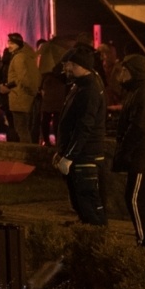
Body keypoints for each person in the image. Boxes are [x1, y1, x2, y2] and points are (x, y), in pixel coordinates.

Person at [113, 54, 145, 251]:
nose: (121, 74)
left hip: (144, 158)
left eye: (125, 70)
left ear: (134, 72)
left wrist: (125, 150)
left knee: (135, 200)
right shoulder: (142, 90)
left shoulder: (144, 92)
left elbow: (139, 127)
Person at [54, 45, 107, 226]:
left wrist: (69, 156)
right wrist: (62, 150)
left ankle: (95, 240)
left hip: (85, 156)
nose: (66, 69)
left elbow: (84, 126)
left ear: (80, 66)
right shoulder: (81, 85)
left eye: (70, 65)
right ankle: (85, 232)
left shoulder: (89, 89)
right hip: (80, 154)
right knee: (81, 201)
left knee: (89, 203)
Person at [2, 32, 39, 143]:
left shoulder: (19, 58)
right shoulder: (26, 56)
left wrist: (9, 86)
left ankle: (26, 154)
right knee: (25, 129)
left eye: (12, 43)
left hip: (19, 98)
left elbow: (22, 78)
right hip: (24, 97)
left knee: (21, 130)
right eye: (9, 42)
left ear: (19, 44)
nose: (9, 45)